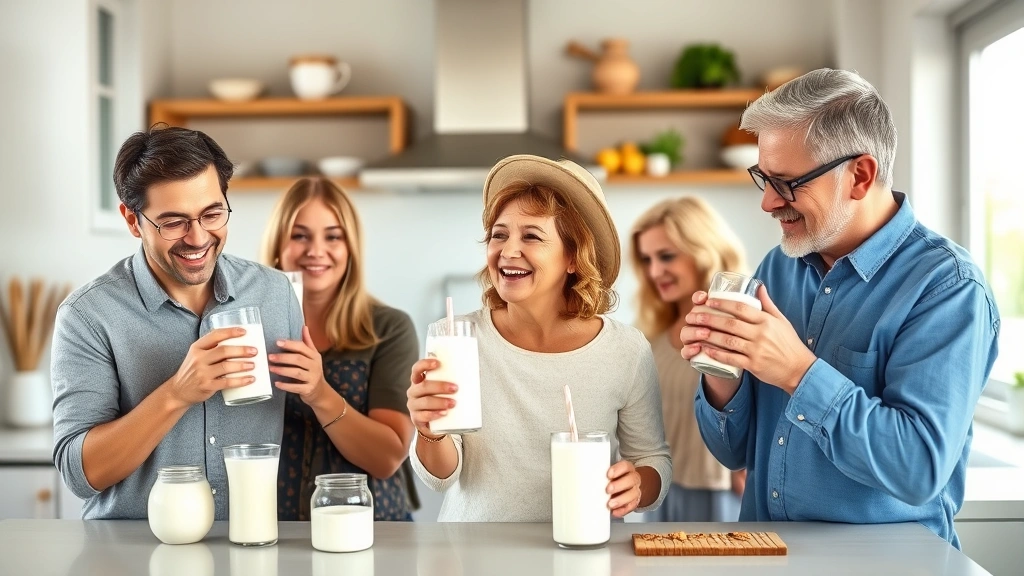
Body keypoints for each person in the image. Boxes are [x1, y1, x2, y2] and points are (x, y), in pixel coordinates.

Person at [680, 69, 1000, 547]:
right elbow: (733, 453)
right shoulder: (778, 267)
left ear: (860, 175)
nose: (768, 202)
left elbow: (917, 468)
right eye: (762, 178)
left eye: (786, 183)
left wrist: (796, 371)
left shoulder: (946, 287)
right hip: (769, 555)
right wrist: (721, 372)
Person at [51, 126, 303, 519]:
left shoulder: (275, 293)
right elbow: (80, 474)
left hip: (250, 543)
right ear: (133, 221)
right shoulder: (88, 315)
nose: (198, 237)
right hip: (131, 552)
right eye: (173, 222)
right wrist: (176, 394)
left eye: (212, 213)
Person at [407, 154, 671, 521]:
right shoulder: (454, 337)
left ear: (573, 257)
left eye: (531, 236)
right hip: (473, 556)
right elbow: (441, 478)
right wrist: (429, 432)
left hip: (584, 551)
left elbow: (653, 460)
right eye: (499, 235)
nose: (508, 251)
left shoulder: (626, 351)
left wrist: (639, 485)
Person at [260, 177, 420, 521]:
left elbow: (388, 457)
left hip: (374, 531)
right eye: (300, 235)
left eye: (333, 236)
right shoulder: (248, 327)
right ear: (277, 245)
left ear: (350, 249)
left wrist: (319, 393)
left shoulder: (389, 329)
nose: (316, 250)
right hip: (270, 531)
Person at [630, 196, 747, 522]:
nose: (654, 271)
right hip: (662, 495)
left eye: (666, 256)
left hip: (721, 492)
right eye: (646, 259)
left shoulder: (739, 327)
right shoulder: (650, 339)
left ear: (703, 251)